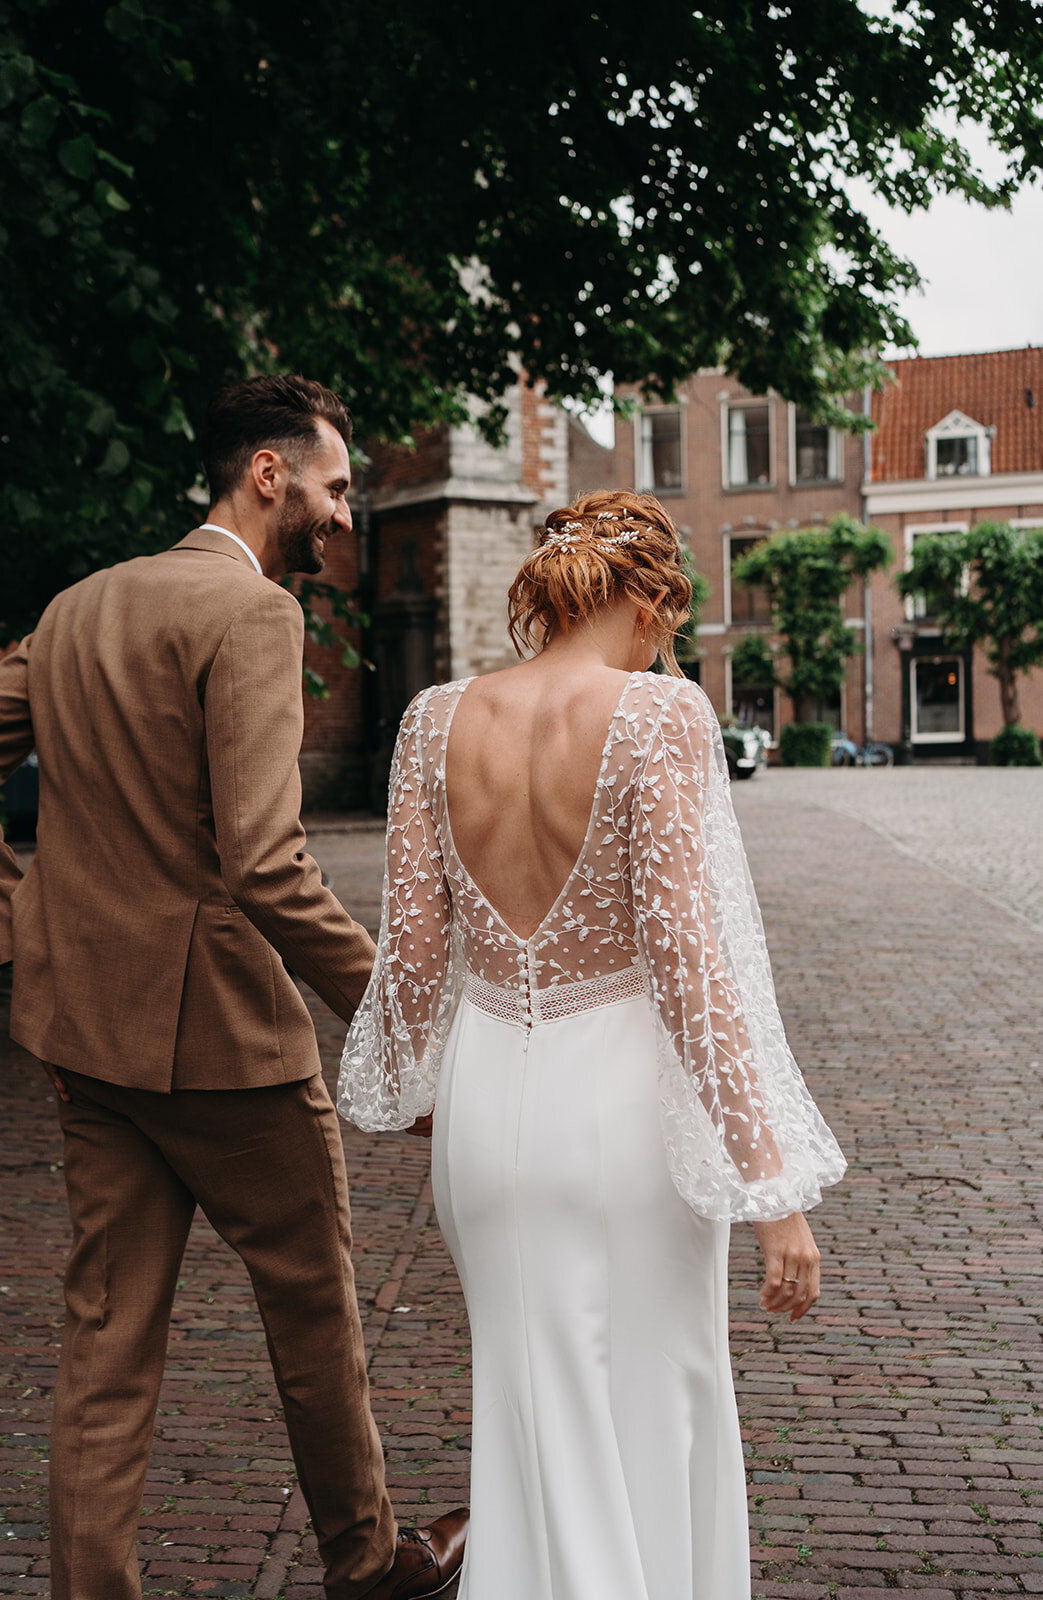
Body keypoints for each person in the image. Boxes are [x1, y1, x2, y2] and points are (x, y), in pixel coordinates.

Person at [0, 375, 466, 1600]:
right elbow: (265, 860)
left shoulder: (78, 606)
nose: (344, 516)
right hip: (228, 1052)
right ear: (266, 473)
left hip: (85, 1034)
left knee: (105, 1337)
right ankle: (365, 1565)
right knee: (313, 1316)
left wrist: (14, 931)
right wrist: (402, 1023)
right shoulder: (251, 614)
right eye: (336, 486)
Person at [337, 489, 846, 1600]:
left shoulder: (430, 719)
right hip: (617, 1108)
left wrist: (441, 1091)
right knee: (656, 1396)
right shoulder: (659, 716)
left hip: (483, 1109)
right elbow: (687, 965)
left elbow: (414, 961)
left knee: (530, 1406)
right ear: (653, 600)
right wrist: (774, 1190)